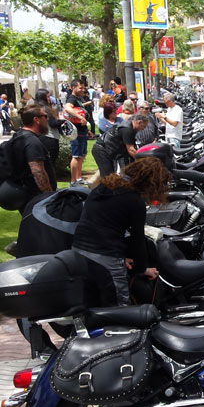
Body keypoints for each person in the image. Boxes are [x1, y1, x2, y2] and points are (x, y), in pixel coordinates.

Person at [71, 158, 169, 306]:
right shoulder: (134, 201)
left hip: (79, 251)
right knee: (120, 305)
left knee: (92, 300)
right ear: (150, 182)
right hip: (106, 257)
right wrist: (142, 268)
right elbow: (138, 241)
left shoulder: (102, 188)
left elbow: (99, 225)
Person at [8, 106, 56, 209]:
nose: (47, 119)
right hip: (37, 198)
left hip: (27, 197)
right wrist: (50, 197)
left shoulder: (18, 136)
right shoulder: (32, 142)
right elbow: (38, 172)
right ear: (36, 119)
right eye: (45, 116)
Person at [92, 112, 147, 177]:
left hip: (110, 150)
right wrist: (142, 161)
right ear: (139, 122)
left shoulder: (129, 127)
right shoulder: (127, 130)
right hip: (101, 150)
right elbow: (131, 150)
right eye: (143, 126)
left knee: (112, 174)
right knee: (107, 176)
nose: (143, 129)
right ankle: (102, 187)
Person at [64, 79, 92, 186]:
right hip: (75, 132)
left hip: (82, 131)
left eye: (83, 88)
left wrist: (88, 130)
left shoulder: (79, 99)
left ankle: (79, 178)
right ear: (73, 87)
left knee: (81, 155)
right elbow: (67, 108)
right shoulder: (71, 98)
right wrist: (80, 117)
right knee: (76, 156)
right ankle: (73, 181)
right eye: (80, 88)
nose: (82, 90)